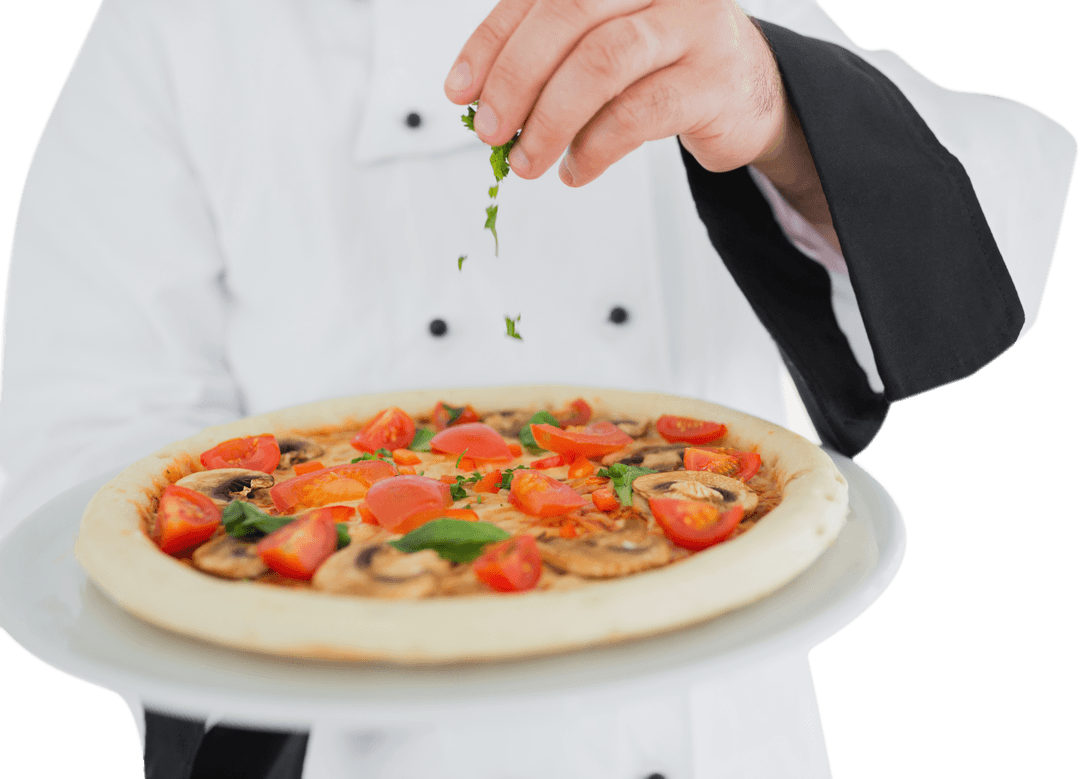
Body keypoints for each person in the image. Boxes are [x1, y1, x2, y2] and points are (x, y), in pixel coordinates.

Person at [0, 0, 1073, 777]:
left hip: (710, 736)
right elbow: (82, 434)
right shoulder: (167, 27)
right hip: (346, 742)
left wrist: (778, 110)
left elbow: (972, 242)